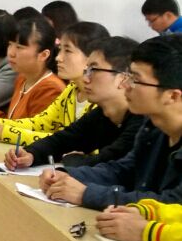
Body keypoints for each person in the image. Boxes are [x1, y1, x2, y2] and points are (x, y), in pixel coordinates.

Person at [40, 35, 182, 209]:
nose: (125, 85)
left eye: (135, 79)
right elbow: (122, 171)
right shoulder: (152, 128)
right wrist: (66, 175)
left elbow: (173, 203)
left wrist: (86, 194)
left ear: (172, 96)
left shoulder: (145, 123)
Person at [4, 36, 145, 170]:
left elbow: (109, 164)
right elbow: (63, 139)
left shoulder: (142, 122)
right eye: (86, 70)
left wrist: (73, 159)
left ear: (123, 79)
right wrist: (31, 154)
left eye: (93, 70)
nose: (85, 79)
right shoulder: (102, 114)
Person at [0, 17, 68, 142]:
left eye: (19, 47)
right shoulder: (22, 78)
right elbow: (16, 121)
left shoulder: (50, 88)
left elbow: (36, 133)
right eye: (10, 45)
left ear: (43, 55)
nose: (11, 53)